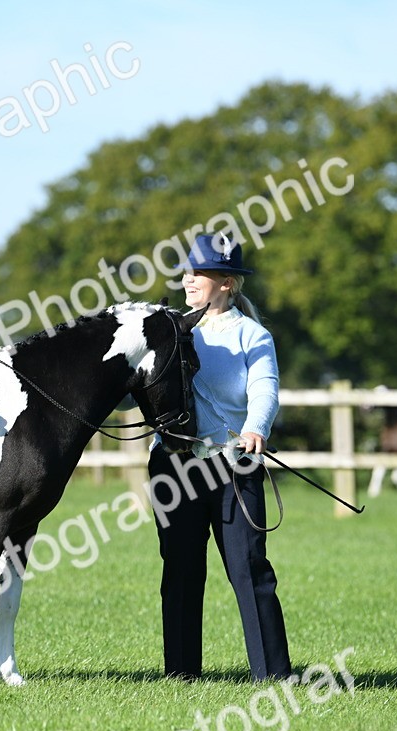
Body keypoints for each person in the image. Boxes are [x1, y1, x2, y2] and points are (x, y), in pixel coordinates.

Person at [148, 232, 291, 681]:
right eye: (187, 272)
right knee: (180, 570)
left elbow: (265, 389)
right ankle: (181, 674)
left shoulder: (254, 335)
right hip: (174, 465)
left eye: (200, 273)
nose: (188, 280)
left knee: (249, 569)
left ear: (227, 282)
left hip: (235, 464)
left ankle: (273, 675)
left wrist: (256, 427)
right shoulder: (167, 329)